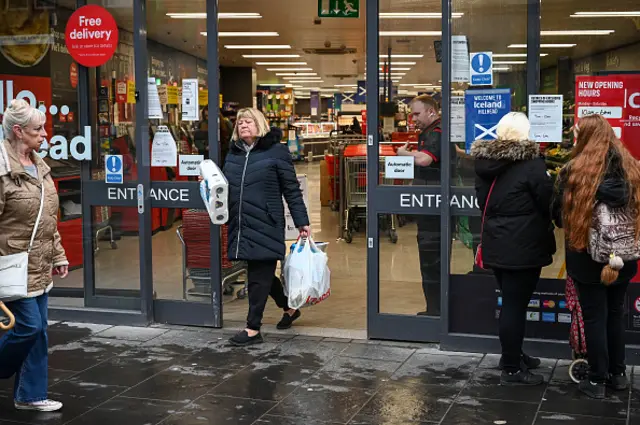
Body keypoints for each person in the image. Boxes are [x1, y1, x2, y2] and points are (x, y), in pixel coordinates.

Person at [552, 114, 640, 398]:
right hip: (623, 257)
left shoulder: (573, 172)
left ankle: (596, 379)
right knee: (616, 313)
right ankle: (618, 374)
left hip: (586, 257)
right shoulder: (632, 170)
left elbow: (558, 217)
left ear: (585, 138)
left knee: (594, 317)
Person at [471, 112, 556, 385]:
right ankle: (511, 367)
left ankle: (514, 353)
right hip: (523, 245)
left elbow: (482, 202)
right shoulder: (531, 164)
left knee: (510, 301)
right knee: (515, 305)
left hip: (497, 243)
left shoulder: (485, 163)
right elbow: (547, 202)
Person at [0, 99, 69, 411]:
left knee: (38, 331)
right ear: (17, 131)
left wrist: (58, 255)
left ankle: (31, 395)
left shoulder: (39, 166)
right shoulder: (3, 171)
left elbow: (46, 216)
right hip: (11, 263)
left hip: (38, 264)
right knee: (29, 327)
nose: (45, 135)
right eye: (37, 129)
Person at [223, 108, 310, 346]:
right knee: (260, 273)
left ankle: (253, 329)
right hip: (241, 223)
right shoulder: (233, 154)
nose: (243, 125)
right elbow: (224, 186)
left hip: (267, 222)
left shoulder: (276, 151)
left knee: (257, 276)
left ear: (259, 124)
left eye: (248, 121)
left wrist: (302, 221)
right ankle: (290, 308)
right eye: (240, 122)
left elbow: (291, 189)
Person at [397, 94, 450, 316]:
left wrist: (404, 154)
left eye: (417, 113)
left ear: (431, 111)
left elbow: (425, 160)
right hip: (429, 205)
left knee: (431, 261)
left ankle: (435, 311)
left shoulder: (436, 133)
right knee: (430, 261)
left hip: (433, 209)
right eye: (411, 114)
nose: (413, 119)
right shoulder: (430, 132)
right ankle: (434, 308)